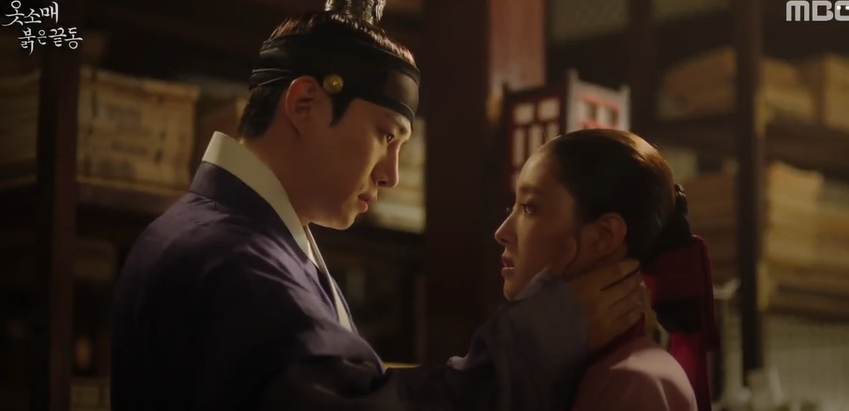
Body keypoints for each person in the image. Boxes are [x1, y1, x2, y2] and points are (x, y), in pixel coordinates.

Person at [109, 1, 647, 410]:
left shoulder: (222, 236)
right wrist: (546, 335)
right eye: (386, 136)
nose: (391, 174)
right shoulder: (234, 260)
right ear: (304, 104)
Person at [494, 128, 721, 411]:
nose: (501, 233)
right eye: (512, 208)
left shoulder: (633, 383)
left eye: (529, 208)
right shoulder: (562, 368)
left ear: (604, 235)